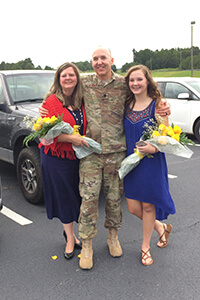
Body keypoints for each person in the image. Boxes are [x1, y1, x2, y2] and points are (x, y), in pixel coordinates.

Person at [39, 47, 171, 270]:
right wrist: (45, 111)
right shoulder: (85, 82)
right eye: (95, 59)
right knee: (88, 199)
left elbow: (144, 90)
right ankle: (88, 245)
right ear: (91, 62)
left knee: (113, 199)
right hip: (90, 152)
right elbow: (64, 88)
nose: (99, 62)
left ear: (111, 60)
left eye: (103, 58)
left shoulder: (123, 83)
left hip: (117, 153)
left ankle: (113, 237)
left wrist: (162, 104)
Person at [124, 65, 176, 266]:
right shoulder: (126, 104)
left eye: (139, 79)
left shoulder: (158, 105)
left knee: (147, 206)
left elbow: (168, 137)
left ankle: (145, 247)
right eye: (131, 80)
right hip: (130, 163)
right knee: (133, 207)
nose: (135, 83)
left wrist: (153, 149)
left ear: (148, 81)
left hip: (151, 163)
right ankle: (161, 228)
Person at [39, 62, 88, 260]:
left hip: (77, 157)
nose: (68, 78)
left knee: (77, 197)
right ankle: (70, 238)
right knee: (64, 198)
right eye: (63, 75)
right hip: (56, 158)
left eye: (71, 75)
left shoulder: (82, 100)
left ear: (77, 78)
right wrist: (72, 139)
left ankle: (72, 233)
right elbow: (46, 134)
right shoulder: (51, 102)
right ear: (58, 79)